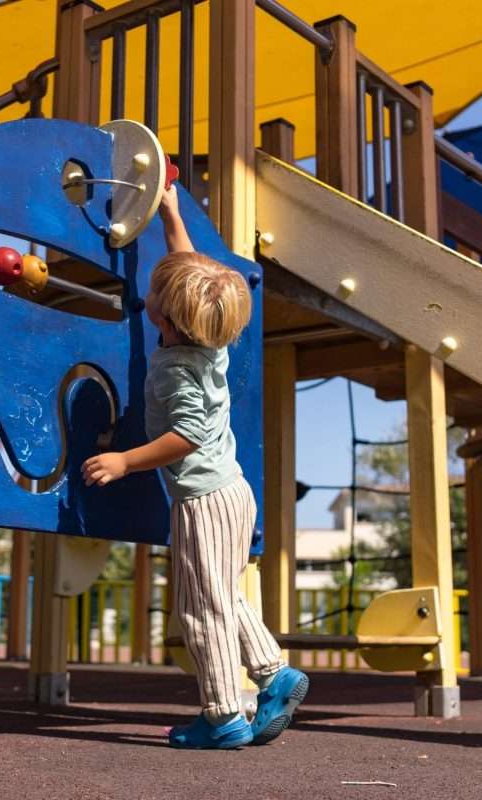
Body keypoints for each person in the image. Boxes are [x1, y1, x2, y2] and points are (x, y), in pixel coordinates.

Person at [82, 185, 308, 749]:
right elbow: (186, 270)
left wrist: (125, 460)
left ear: (166, 317)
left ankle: (223, 713)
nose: (150, 289)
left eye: (156, 290)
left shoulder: (177, 370)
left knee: (198, 607)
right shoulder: (210, 342)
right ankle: (272, 672)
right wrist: (170, 213)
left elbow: (185, 435)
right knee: (223, 594)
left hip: (203, 501)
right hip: (233, 492)